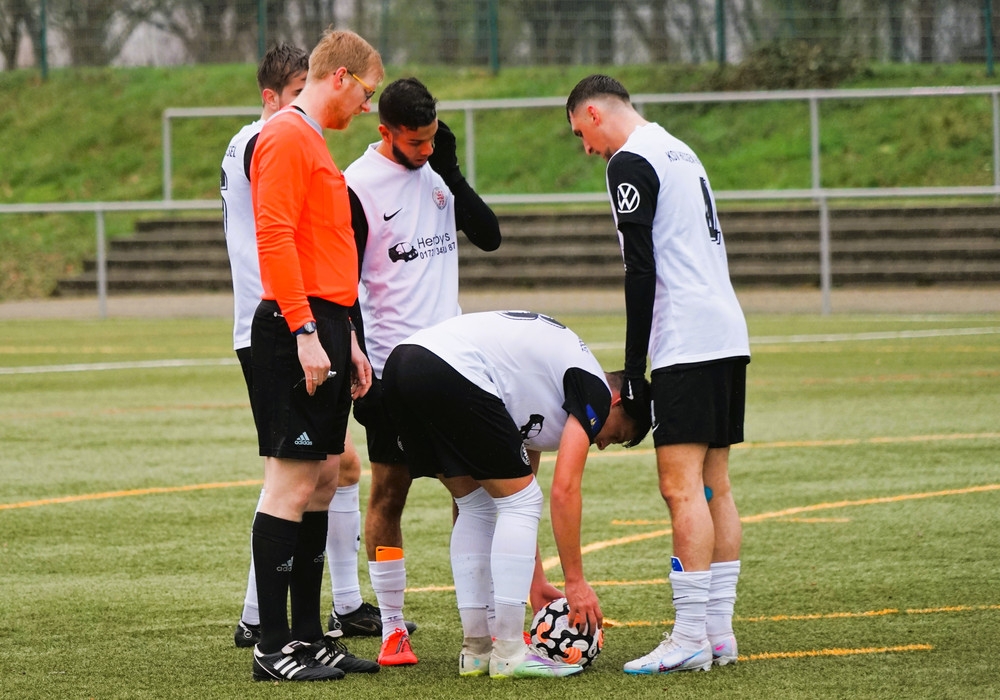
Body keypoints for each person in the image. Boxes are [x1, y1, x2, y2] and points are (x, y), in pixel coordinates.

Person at [566, 74, 750, 675]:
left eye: (581, 133)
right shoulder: (679, 149)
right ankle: (718, 633)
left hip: (686, 338)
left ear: (595, 114)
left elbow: (640, 270)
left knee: (681, 487)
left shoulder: (629, 160)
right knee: (715, 485)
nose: (586, 148)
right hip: (726, 332)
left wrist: (635, 368)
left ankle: (691, 634)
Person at [380, 310, 650, 678]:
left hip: (402, 366)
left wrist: (536, 582)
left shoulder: (545, 391)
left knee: (477, 505)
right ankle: (509, 651)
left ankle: (476, 650)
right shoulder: (597, 391)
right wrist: (575, 582)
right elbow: (564, 490)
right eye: (616, 435)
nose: (602, 444)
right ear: (615, 403)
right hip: (448, 367)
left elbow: (516, 488)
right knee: (521, 503)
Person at [220, 42, 379, 655]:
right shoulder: (285, 134)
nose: (366, 107)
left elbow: (327, 248)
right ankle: (272, 644)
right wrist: (306, 332)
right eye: (365, 93)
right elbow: (275, 237)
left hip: (329, 321)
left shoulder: (310, 137)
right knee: (290, 484)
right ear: (340, 76)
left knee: (323, 479)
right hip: (297, 326)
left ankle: (311, 637)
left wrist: (350, 338)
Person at [342, 76, 501, 665]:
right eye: (415, 142)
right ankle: (391, 627)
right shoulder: (356, 185)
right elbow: (344, 285)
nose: (426, 149)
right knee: (389, 492)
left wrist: (450, 171)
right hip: (393, 369)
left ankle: (479, 623)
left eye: (433, 138)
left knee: (475, 495)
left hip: (455, 364)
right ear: (385, 131)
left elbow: (490, 237)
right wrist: (358, 360)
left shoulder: (438, 170)